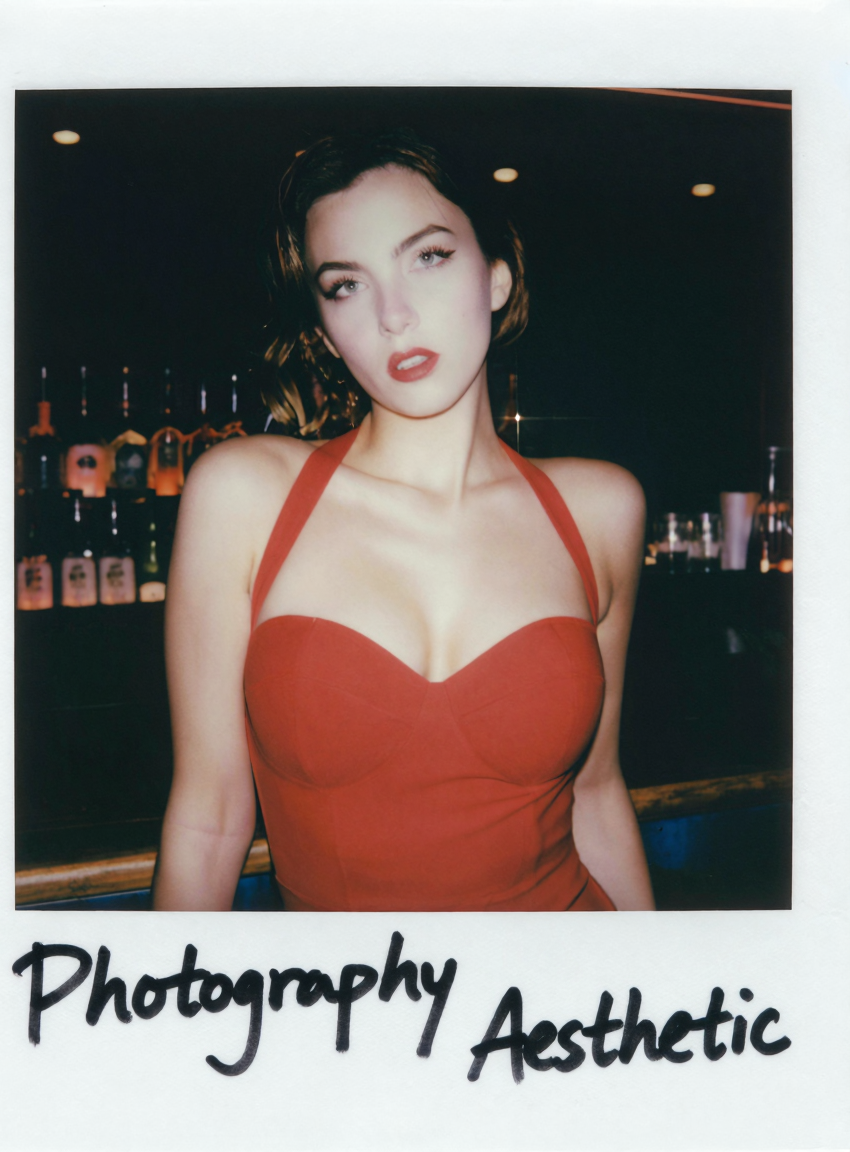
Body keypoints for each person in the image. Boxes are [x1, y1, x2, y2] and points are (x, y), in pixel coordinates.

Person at [153, 129, 654, 912]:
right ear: (325, 331)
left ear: (496, 277)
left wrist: (654, 979)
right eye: (346, 285)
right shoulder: (245, 496)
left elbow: (595, 794)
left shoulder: (601, 510)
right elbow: (208, 821)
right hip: (355, 988)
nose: (394, 316)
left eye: (429, 256)